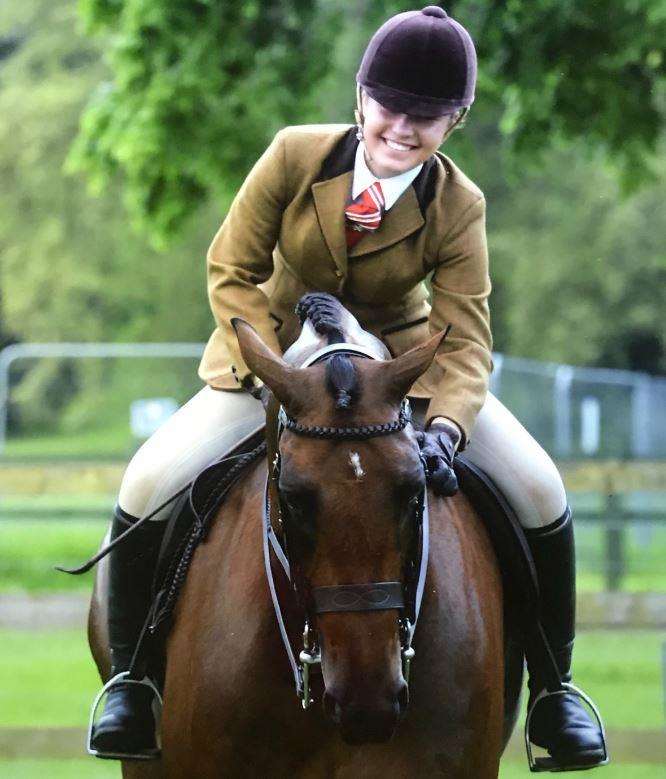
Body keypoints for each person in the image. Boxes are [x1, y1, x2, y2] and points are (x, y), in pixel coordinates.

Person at [89, 5, 606, 769]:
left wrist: (449, 427)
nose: (403, 128)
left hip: (405, 370)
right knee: (149, 479)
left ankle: (556, 693)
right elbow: (231, 269)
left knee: (540, 488)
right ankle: (134, 683)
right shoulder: (295, 156)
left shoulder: (460, 206)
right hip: (275, 357)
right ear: (361, 98)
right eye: (391, 107)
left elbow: (464, 335)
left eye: (427, 117)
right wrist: (271, 366)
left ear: (455, 122)